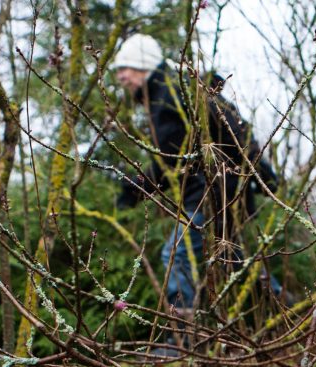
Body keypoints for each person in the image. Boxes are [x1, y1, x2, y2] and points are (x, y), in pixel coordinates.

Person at [112, 34, 281, 317]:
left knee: (176, 256)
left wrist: (132, 190)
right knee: (232, 258)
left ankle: (181, 338)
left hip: (211, 193)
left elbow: (169, 158)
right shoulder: (174, 90)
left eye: (124, 69)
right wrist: (261, 173)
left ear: (143, 66)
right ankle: (283, 310)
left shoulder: (169, 96)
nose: (120, 77)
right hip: (220, 191)